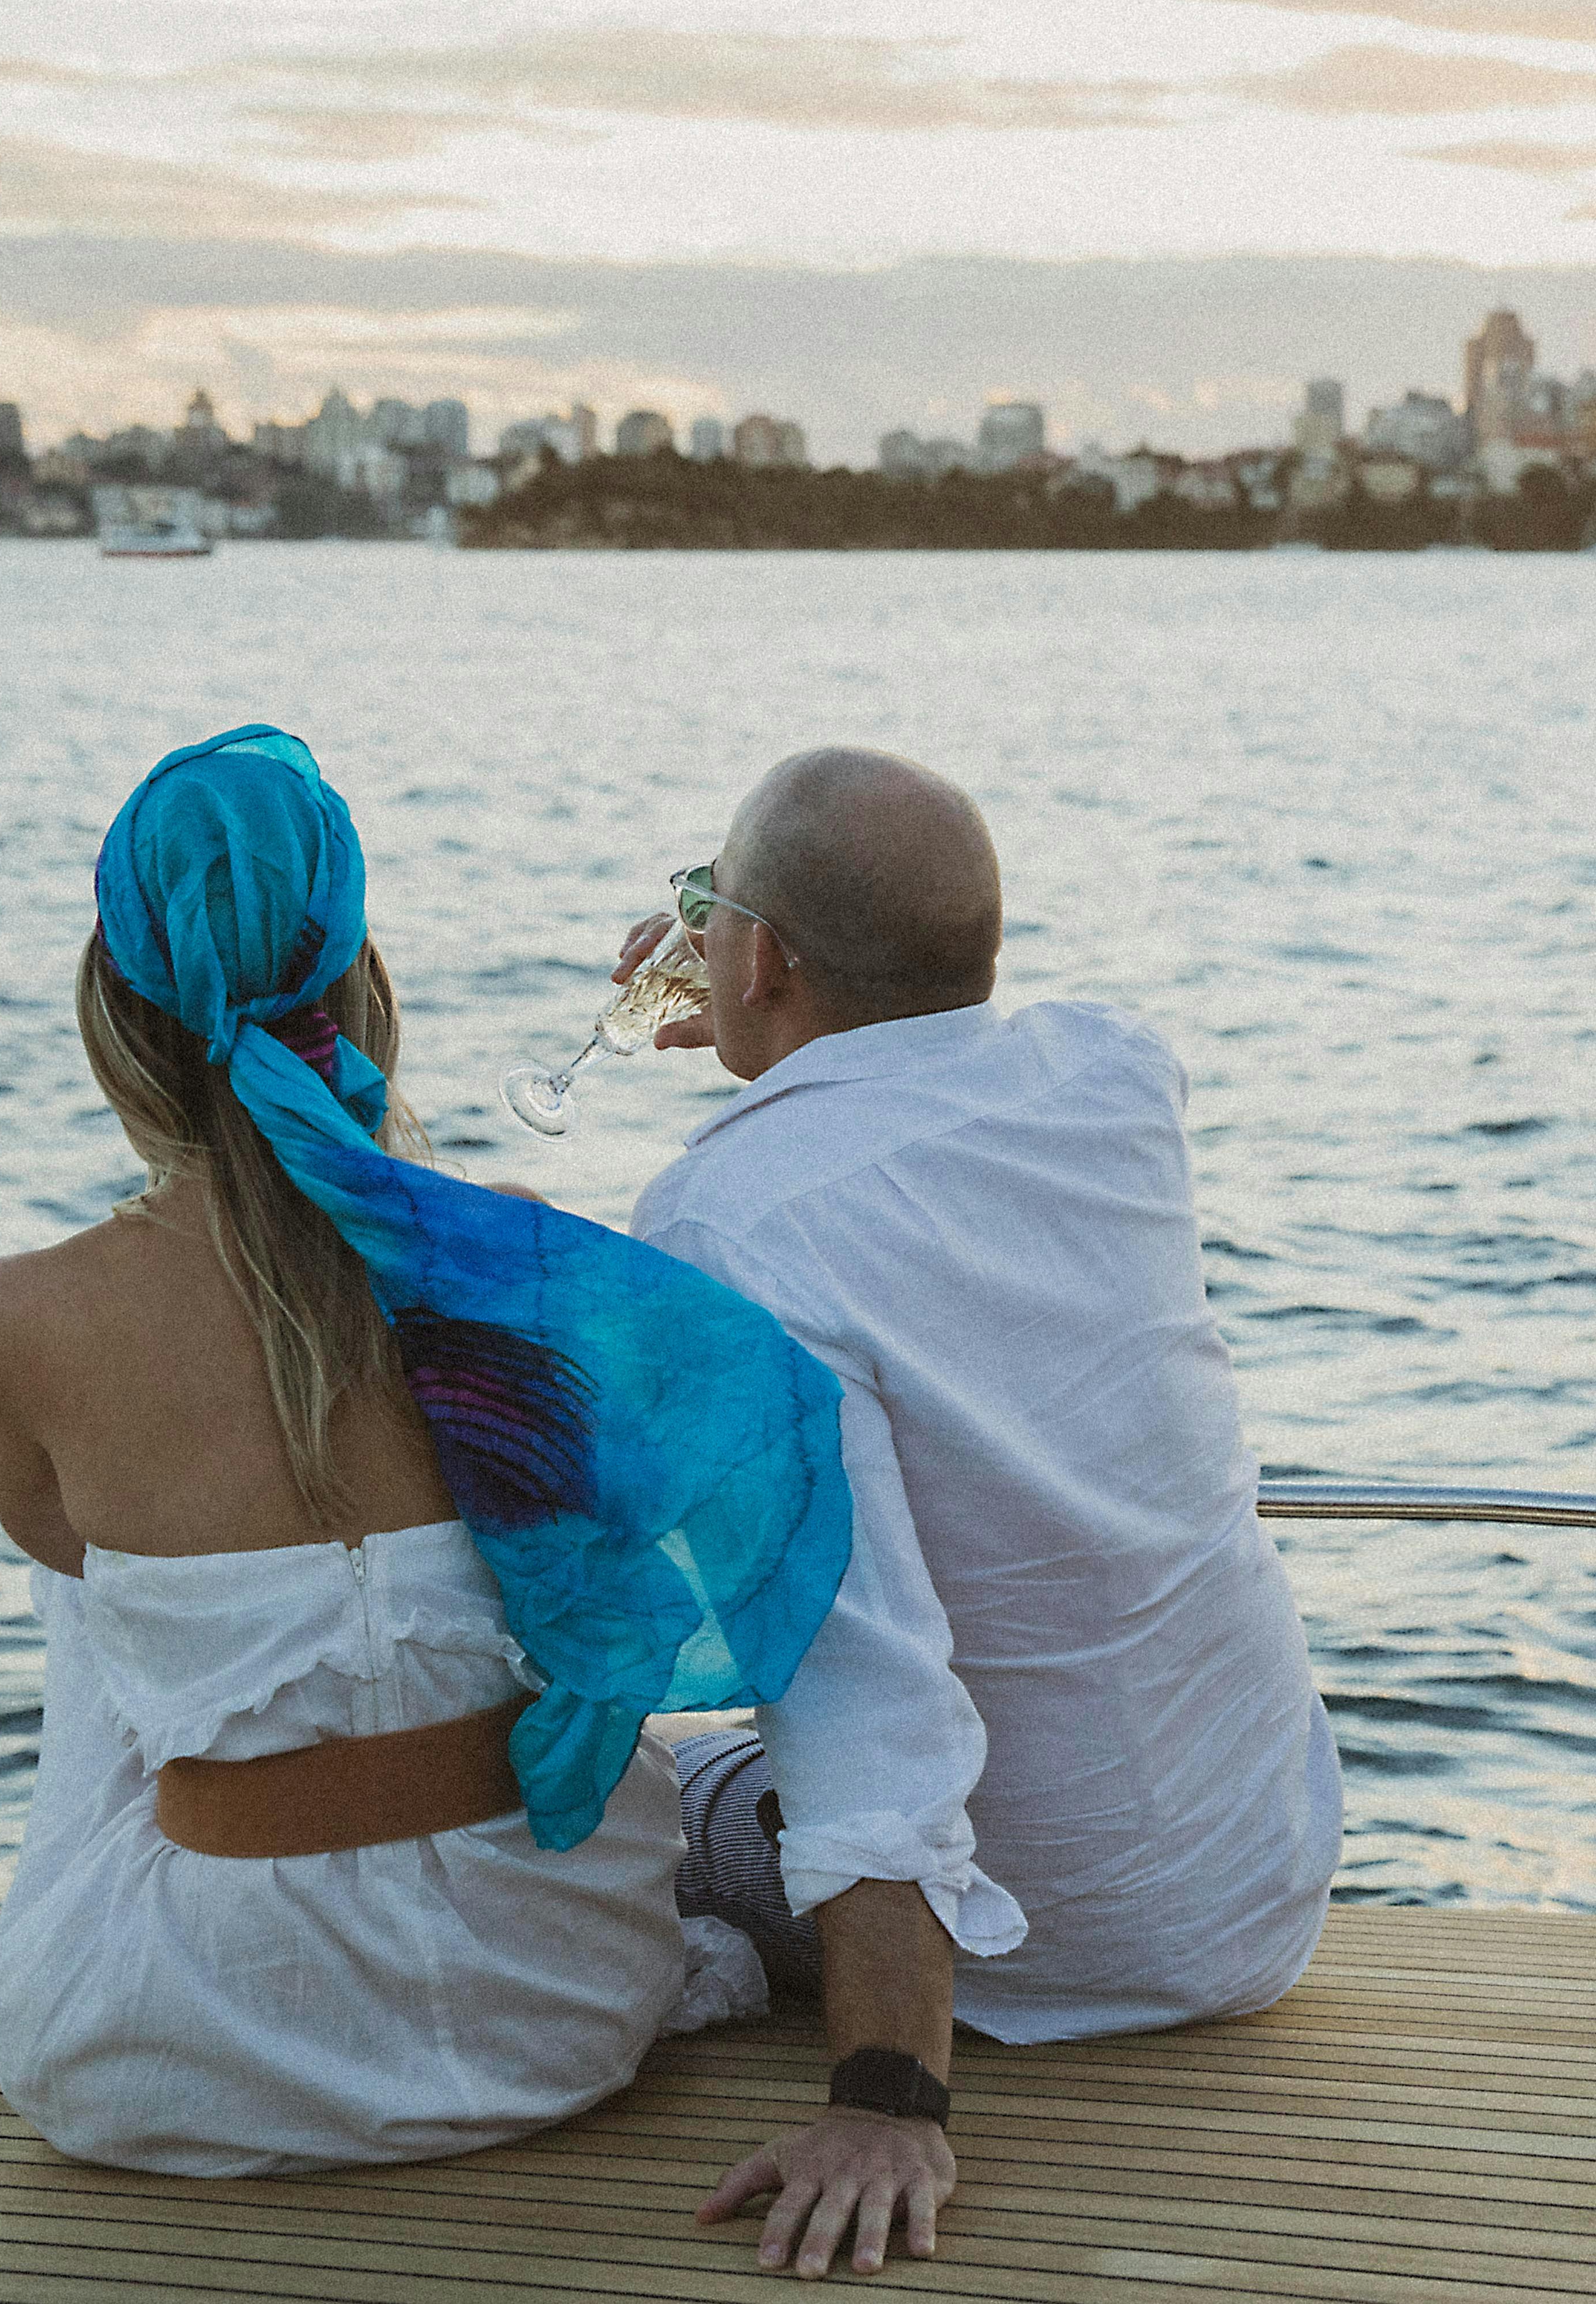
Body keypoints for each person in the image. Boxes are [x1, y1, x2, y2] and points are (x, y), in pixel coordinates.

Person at [0, 725, 853, 2177]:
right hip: (553, 2014)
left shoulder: (17, 1314)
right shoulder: (505, 1258)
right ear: (361, 989)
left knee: (91, 1582)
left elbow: (61, 1552)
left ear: (114, 1011)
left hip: (179, 2059)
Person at [626, 747, 1344, 2278]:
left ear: (758, 958)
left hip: (1043, 1943)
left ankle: (750, 1978)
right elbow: (913, 1076)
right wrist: (782, 1048)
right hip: (1251, 1888)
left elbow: (853, 1671)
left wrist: (888, 2100)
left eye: (710, 907)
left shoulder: (723, 1223)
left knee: (638, 1794)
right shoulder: (1113, 1072)